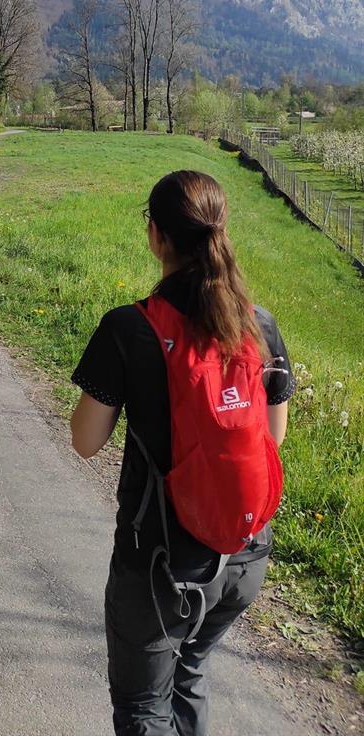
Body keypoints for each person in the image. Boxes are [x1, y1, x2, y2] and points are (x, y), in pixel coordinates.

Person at [70, 170, 294, 736]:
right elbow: (274, 437)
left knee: (145, 706)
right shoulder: (259, 323)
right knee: (189, 671)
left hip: (161, 565)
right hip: (244, 556)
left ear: (156, 235)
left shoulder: (129, 328)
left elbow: (85, 441)